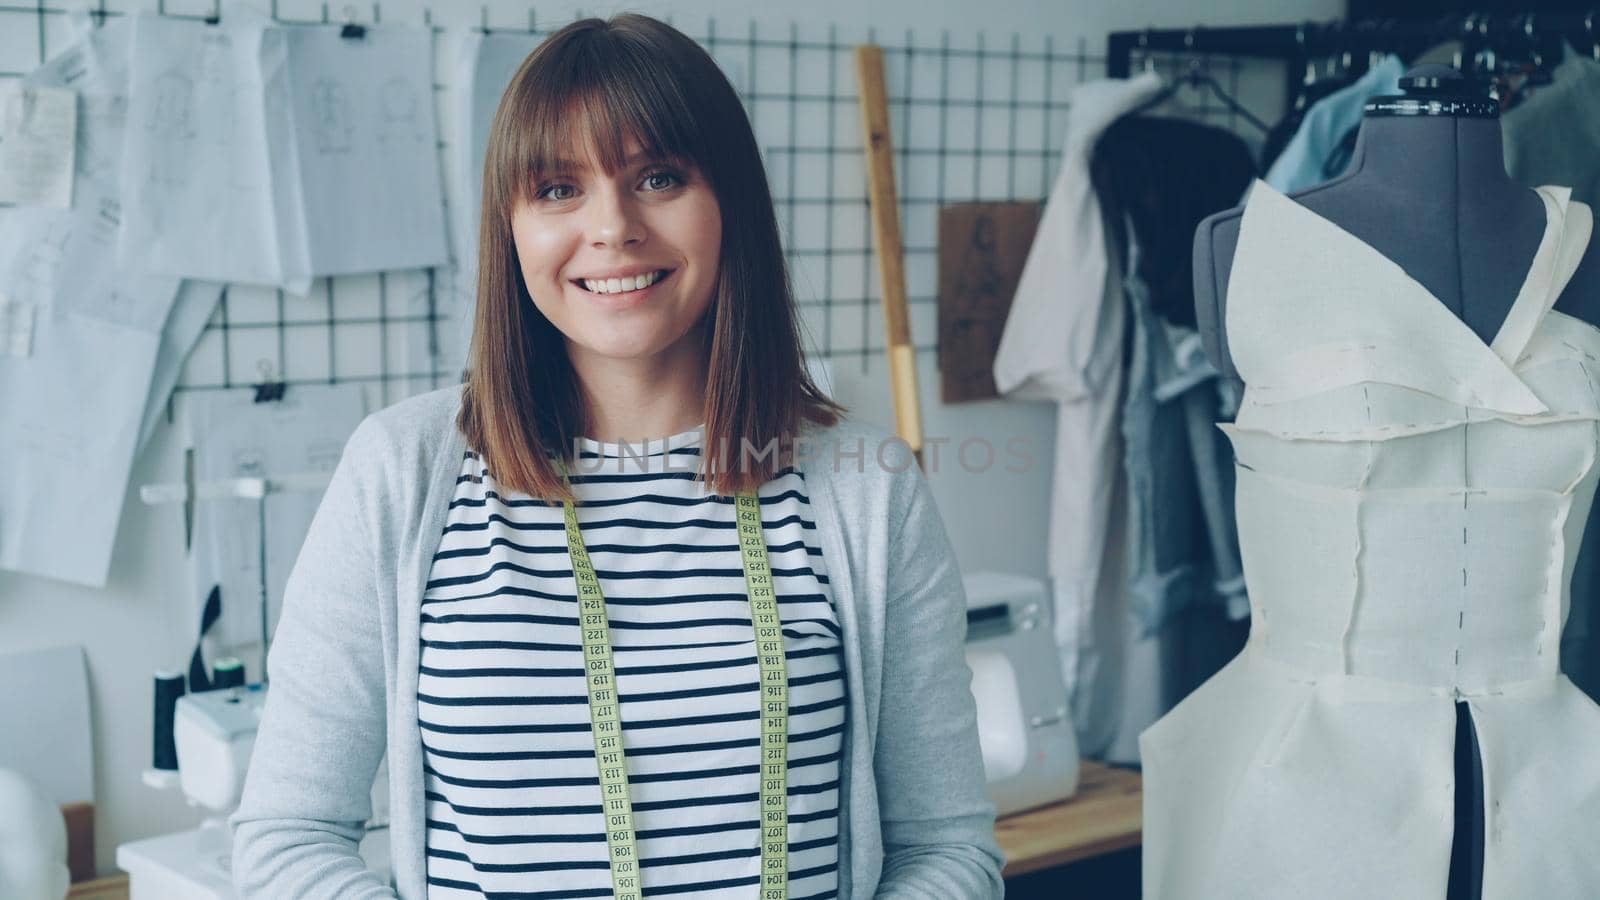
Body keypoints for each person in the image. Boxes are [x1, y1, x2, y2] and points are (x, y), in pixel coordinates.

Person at [229, 13, 1004, 899]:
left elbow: (947, 848)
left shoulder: (866, 491)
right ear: (511, 227)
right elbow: (287, 842)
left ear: (731, 206)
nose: (613, 227)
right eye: (559, 189)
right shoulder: (401, 474)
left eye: (659, 178)